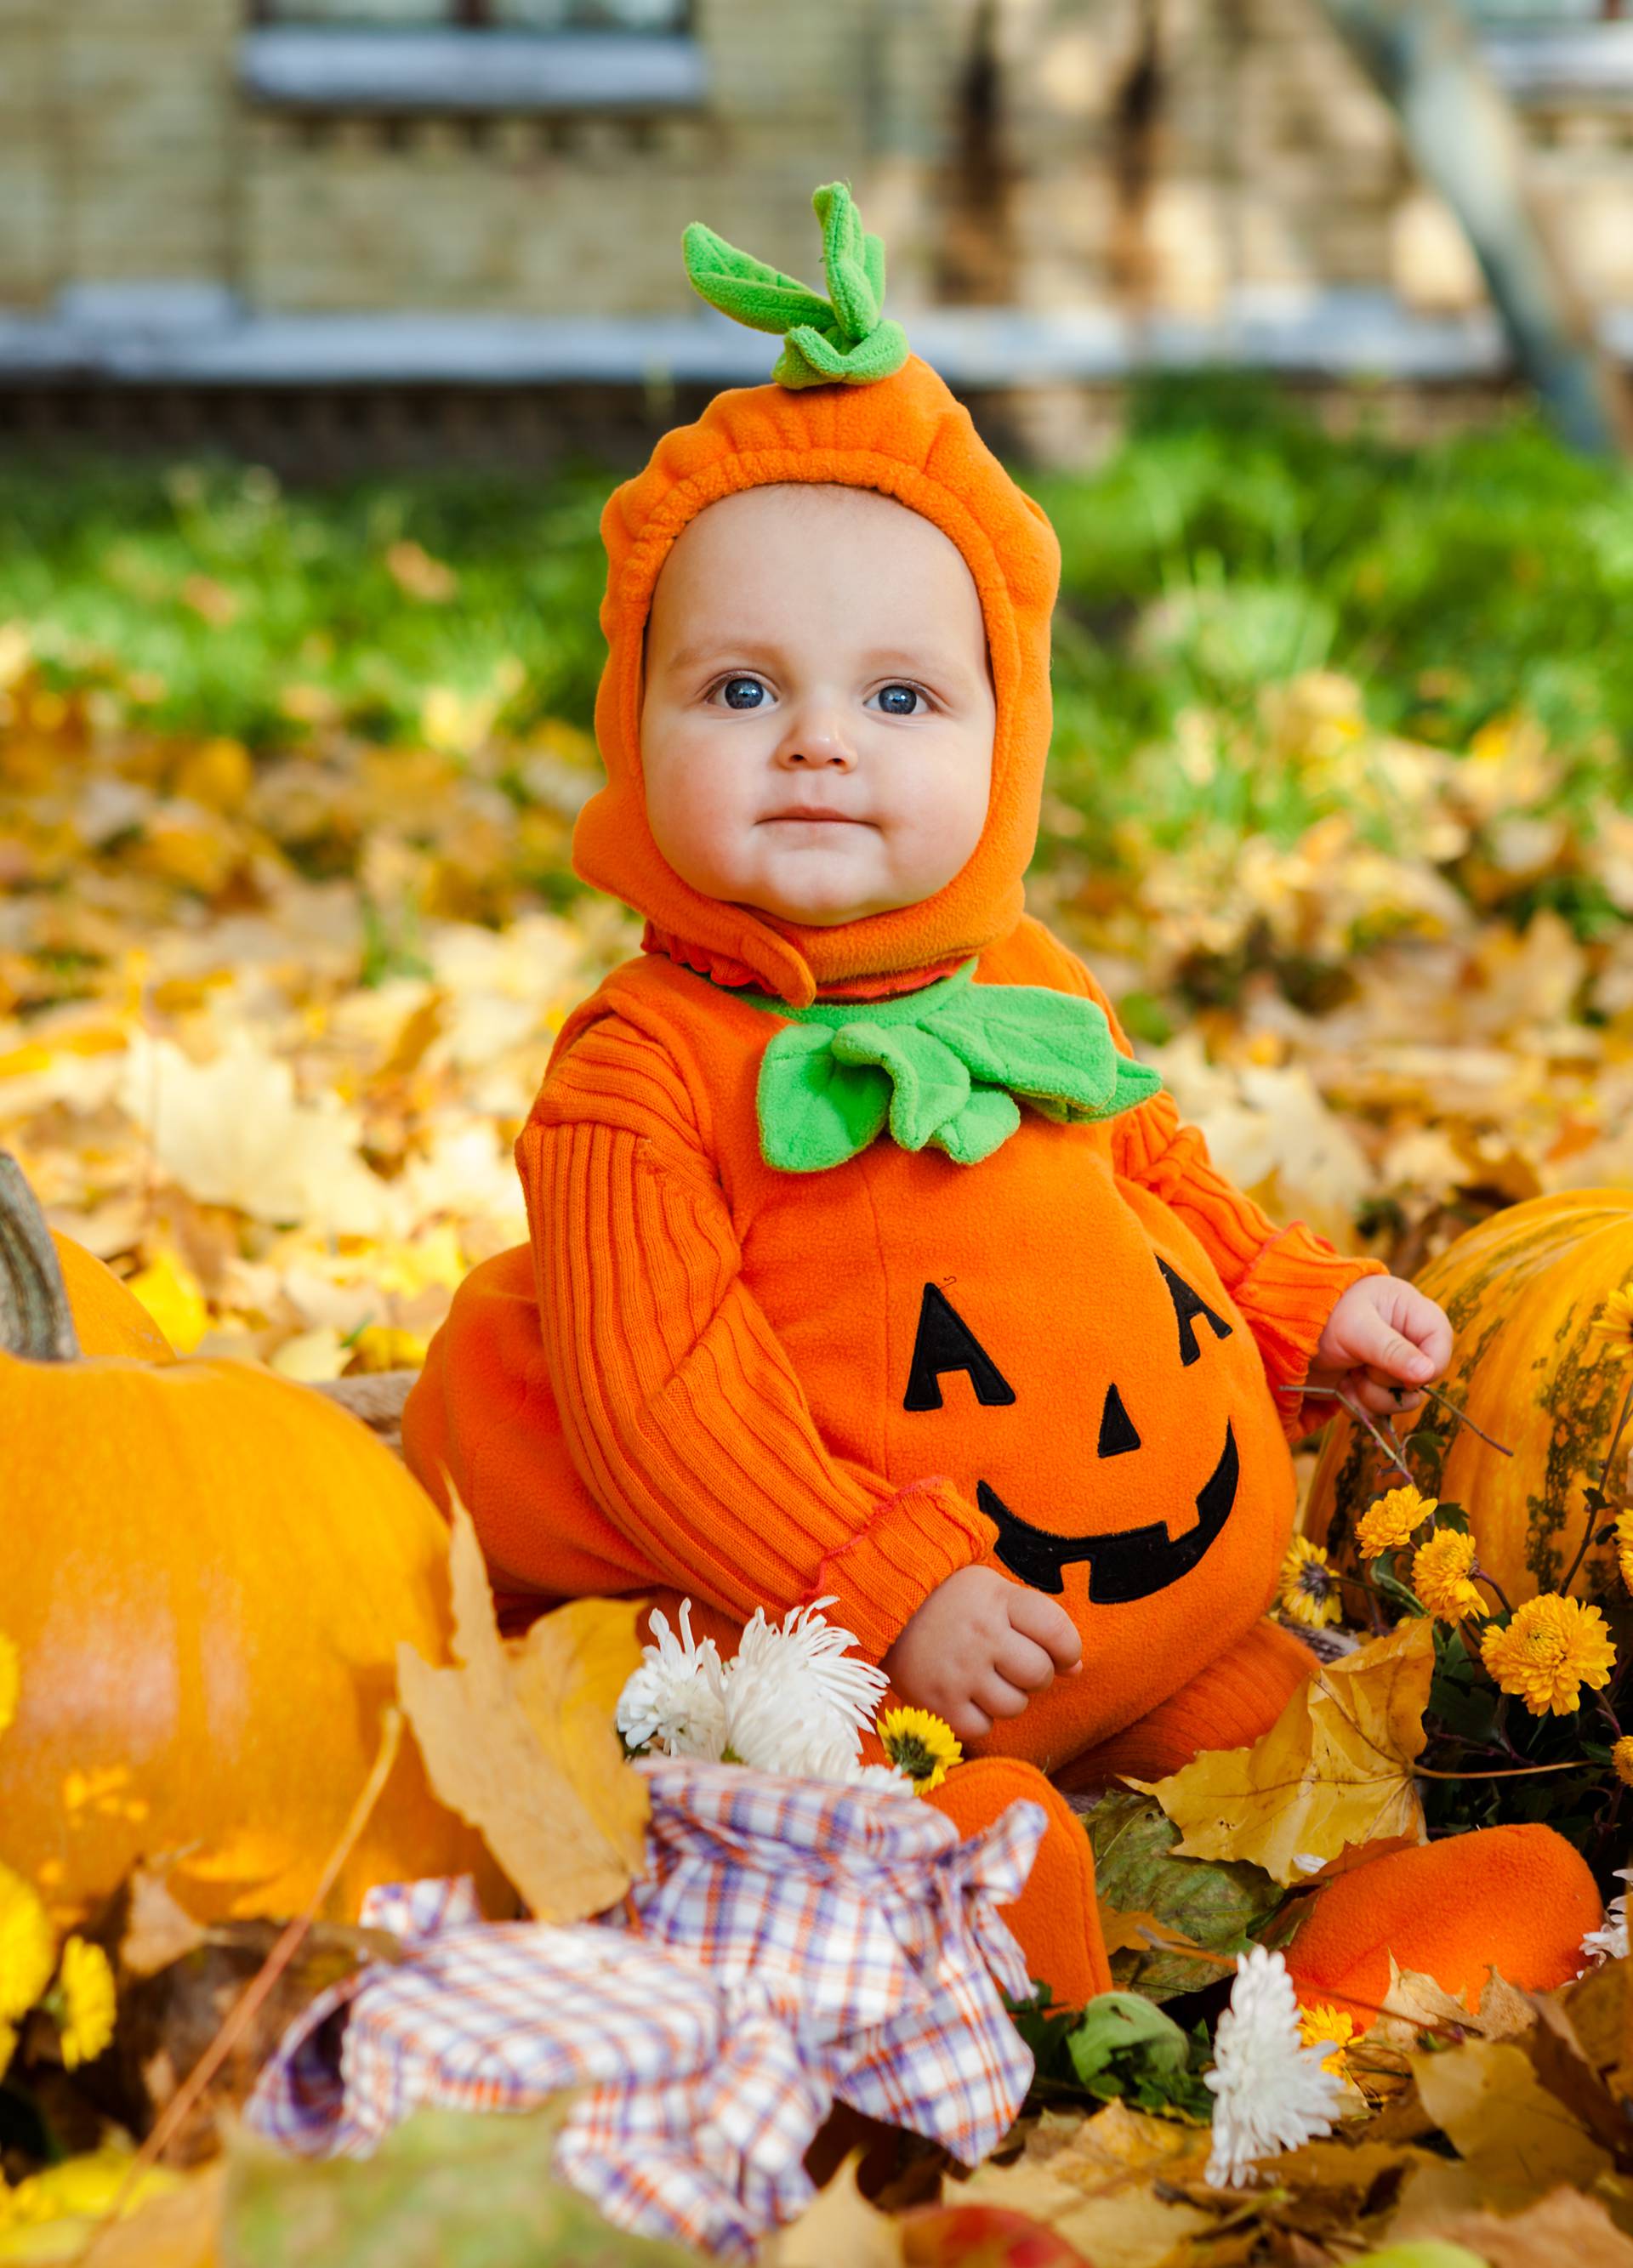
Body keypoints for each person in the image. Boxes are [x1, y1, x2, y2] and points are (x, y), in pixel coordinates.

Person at [405, 184, 1597, 2004]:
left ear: (1004, 732)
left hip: (1147, 1605)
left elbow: (1151, 1177)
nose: (819, 738)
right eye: (740, 689)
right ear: (634, 729)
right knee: (889, 1791)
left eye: (898, 694)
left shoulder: (1026, 983)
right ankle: (997, 1967)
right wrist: (880, 1584)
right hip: (846, 1641)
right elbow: (663, 1401)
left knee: (1282, 1732)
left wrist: (1297, 1303)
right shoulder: (639, 1072)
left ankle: (1374, 1952)